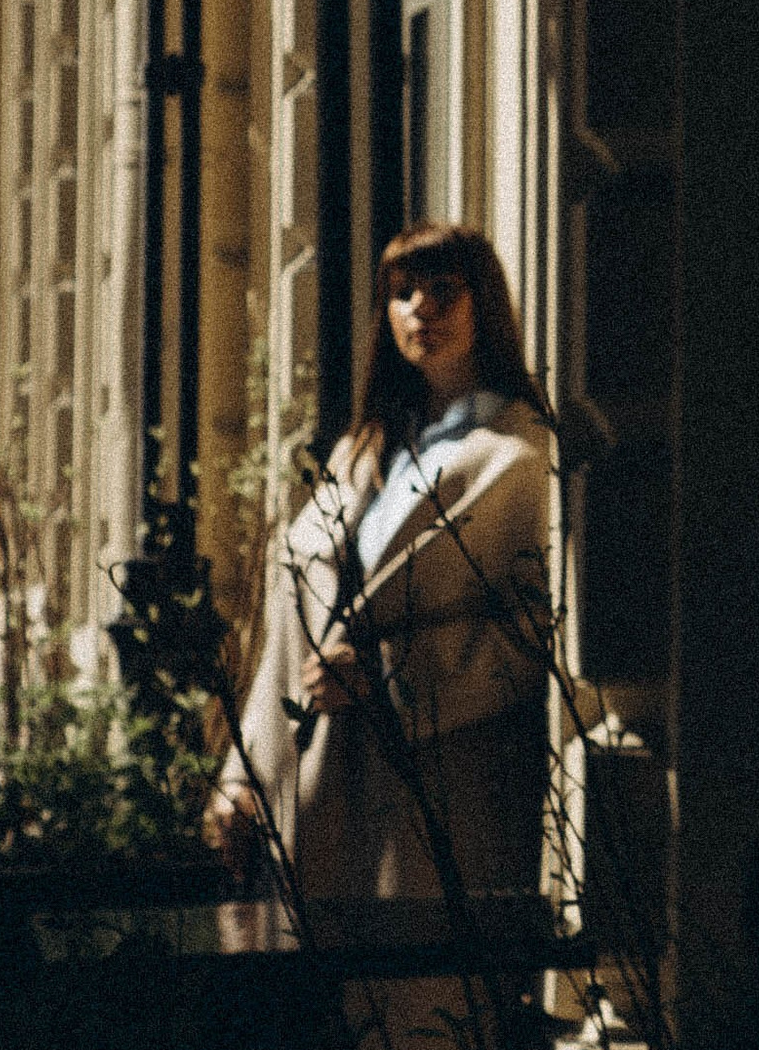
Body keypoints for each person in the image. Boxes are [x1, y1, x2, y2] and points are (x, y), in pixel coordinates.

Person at [208, 220, 556, 943]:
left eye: (443, 290)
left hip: (439, 793)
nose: (420, 308)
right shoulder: (361, 451)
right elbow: (293, 630)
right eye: (402, 292)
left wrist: (389, 676)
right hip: (320, 785)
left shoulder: (518, 453)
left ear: (482, 303)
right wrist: (242, 781)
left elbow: (535, 636)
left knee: (419, 1015)